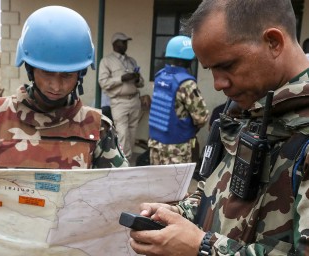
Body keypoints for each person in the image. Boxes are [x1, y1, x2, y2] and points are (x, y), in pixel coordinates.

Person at [128, 0, 309, 255]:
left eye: (226, 66)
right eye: (210, 69)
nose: (217, 84)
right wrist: (179, 214)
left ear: (273, 42)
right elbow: (214, 191)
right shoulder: (248, 108)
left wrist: (201, 247)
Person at [0, 6, 128, 169]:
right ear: (30, 69)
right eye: (47, 73)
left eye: (67, 75)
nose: (56, 86)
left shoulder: (98, 128)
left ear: (80, 75)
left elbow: (120, 189)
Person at [148, 35, 208, 165]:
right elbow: (201, 117)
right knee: (176, 185)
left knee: (157, 183)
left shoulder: (160, 76)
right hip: (176, 148)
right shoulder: (186, 83)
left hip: (155, 145)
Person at [98, 32, 144, 160]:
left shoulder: (131, 61)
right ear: (115, 44)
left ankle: (126, 159)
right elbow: (103, 83)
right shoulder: (107, 61)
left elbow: (142, 83)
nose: (125, 45)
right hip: (119, 101)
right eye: (122, 42)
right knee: (122, 133)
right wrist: (122, 78)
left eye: (126, 42)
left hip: (134, 99)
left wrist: (136, 79)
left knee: (132, 133)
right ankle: (124, 162)